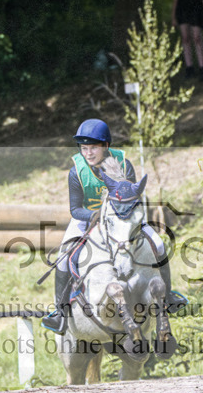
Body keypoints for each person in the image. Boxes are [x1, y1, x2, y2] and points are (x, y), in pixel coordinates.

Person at [42, 119, 186, 333]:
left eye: (93, 148)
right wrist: (97, 216)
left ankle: (169, 297)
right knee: (64, 257)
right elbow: (75, 209)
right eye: (84, 148)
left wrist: (118, 216)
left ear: (106, 146)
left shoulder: (124, 164)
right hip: (87, 219)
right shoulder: (76, 172)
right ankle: (60, 313)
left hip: (124, 217)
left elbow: (134, 196)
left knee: (159, 244)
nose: (88, 153)